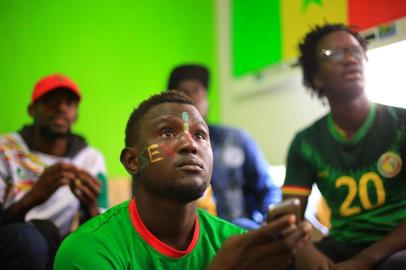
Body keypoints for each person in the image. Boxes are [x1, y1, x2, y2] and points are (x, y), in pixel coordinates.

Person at [54, 90, 311, 269]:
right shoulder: (88, 250)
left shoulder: (235, 243)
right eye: (167, 132)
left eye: (201, 135)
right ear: (132, 161)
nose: (190, 143)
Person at [283, 23, 406, 269]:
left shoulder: (401, 124)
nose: (350, 59)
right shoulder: (305, 142)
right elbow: (290, 216)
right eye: (335, 54)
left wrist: (365, 260)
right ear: (316, 77)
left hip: (398, 245)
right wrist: (303, 250)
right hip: (342, 245)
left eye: (356, 51)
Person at [0, 74, 108, 263]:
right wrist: (35, 195)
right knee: (30, 237)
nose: (61, 108)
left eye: (70, 103)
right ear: (32, 110)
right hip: (16, 242)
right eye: (51, 101)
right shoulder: (5, 148)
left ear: (76, 115)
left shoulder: (90, 158)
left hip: (58, 246)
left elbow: (102, 236)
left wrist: (90, 207)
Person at [164, 64, 281, 229]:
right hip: (188, 241)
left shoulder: (236, 139)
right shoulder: (162, 149)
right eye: (184, 92)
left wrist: (271, 218)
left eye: (198, 91)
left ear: (207, 101)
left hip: (241, 231)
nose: (192, 99)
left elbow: (268, 189)